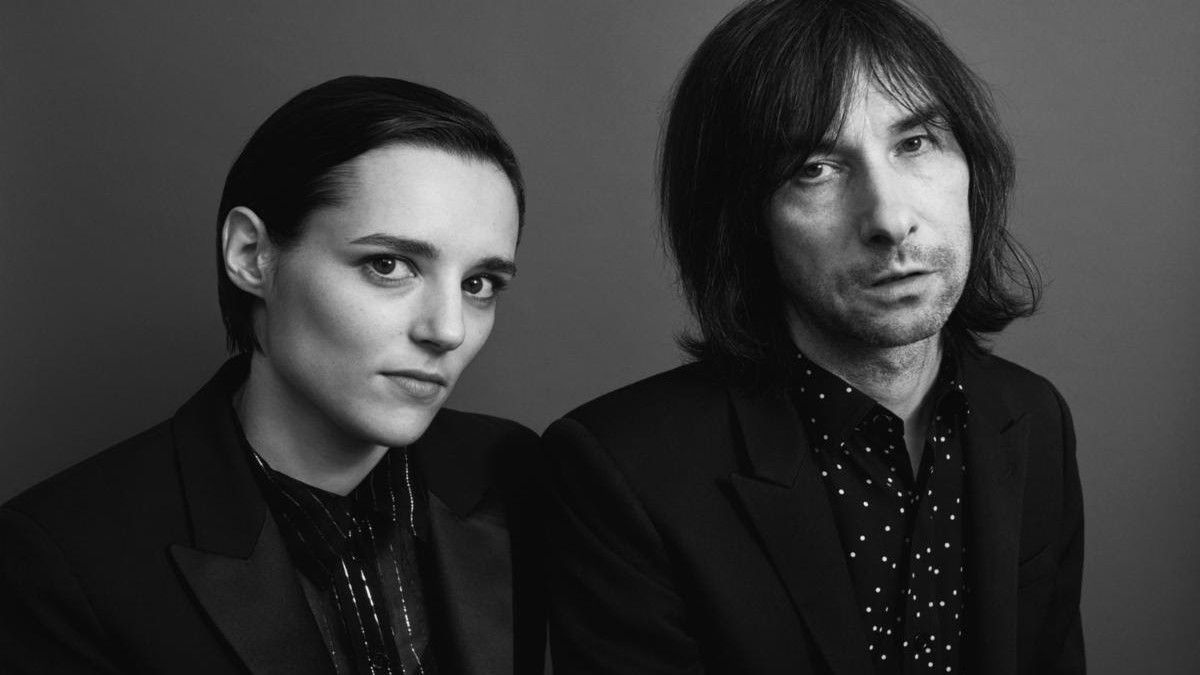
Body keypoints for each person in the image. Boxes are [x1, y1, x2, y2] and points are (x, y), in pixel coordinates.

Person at [542, 1, 1083, 673]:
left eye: (915, 143)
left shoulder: (1033, 418)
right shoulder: (623, 471)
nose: (890, 219)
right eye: (815, 168)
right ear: (743, 220)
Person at [0, 76, 543, 674]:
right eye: (388, 265)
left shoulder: (518, 475)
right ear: (250, 255)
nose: (448, 329)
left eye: (479, 284)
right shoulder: (65, 558)